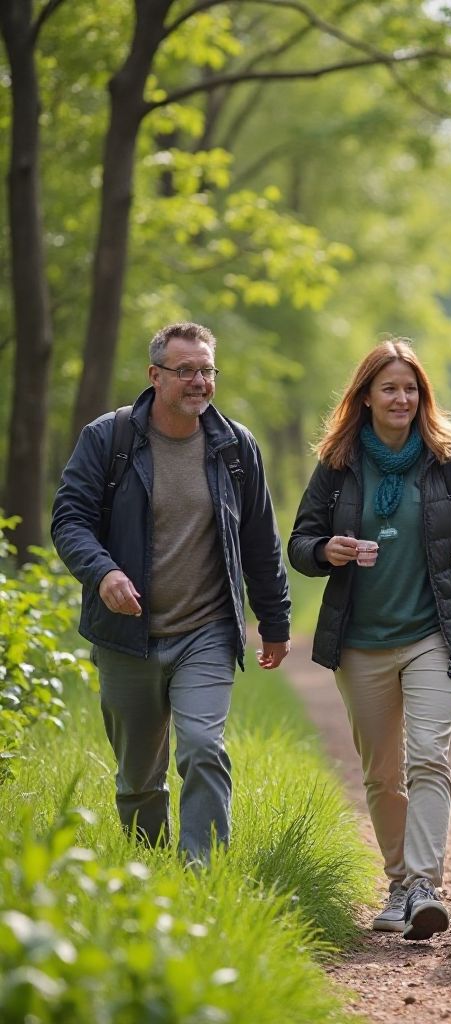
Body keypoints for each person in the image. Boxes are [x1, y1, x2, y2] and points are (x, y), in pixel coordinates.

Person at [288, 338, 451, 942]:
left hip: (431, 634)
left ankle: (424, 885)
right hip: (359, 642)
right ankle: (396, 884)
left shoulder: (447, 459)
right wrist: (325, 550)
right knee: (384, 773)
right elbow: (299, 543)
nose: (401, 398)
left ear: (423, 397)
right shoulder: (337, 465)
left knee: (428, 756)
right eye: (389, 387)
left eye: (411, 388)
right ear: (366, 396)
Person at [51, 321, 291, 865]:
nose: (199, 382)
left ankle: (201, 873)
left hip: (205, 631)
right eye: (186, 371)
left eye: (207, 370)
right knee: (139, 778)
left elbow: (260, 540)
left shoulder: (235, 447)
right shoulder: (107, 439)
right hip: (126, 634)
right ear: (154, 376)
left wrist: (274, 623)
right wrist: (104, 572)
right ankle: (148, 874)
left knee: (204, 748)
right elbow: (69, 520)